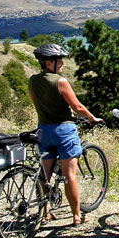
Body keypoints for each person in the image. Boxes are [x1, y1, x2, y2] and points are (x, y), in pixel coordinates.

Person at [28, 43, 102, 226]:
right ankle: (76, 216)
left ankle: (45, 212)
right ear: (47, 63)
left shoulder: (33, 81)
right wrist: (92, 117)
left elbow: (34, 102)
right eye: (57, 60)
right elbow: (77, 107)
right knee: (70, 176)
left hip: (43, 131)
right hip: (64, 131)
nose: (61, 62)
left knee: (44, 176)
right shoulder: (60, 82)